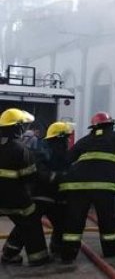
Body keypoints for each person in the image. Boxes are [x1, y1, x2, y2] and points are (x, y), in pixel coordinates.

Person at [59, 111, 115, 263]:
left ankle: (68, 255)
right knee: (107, 219)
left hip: (77, 186)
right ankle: (110, 251)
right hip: (103, 188)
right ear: (110, 125)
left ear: (93, 127)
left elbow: (68, 158)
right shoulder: (114, 137)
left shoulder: (85, 140)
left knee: (75, 220)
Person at [4, 121, 72, 258]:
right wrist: (58, 177)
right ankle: (11, 251)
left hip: (56, 196)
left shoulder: (61, 151)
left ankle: (56, 247)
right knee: (29, 225)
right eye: (66, 138)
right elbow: (40, 172)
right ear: (60, 137)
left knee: (61, 222)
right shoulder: (43, 150)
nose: (68, 141)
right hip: (41, 195)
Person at [0, 108, 50, 266]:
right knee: (32, 220)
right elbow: (31, 177)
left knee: (23, 223)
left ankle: (10, 253)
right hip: (16, 200)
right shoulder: (21, 150)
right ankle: (38, 258)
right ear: (18, 127)